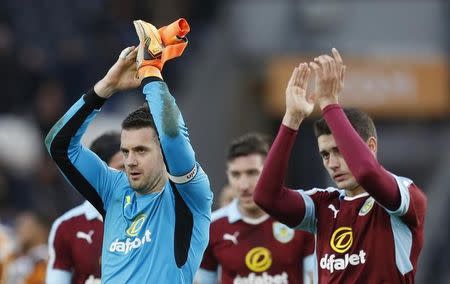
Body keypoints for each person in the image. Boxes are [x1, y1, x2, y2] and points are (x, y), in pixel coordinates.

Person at [45, 18, 212, 283]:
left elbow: (170, 134)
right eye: (126, 151)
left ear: (164, 154)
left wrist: (151, 72)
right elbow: (59, 146)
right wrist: (105, 88)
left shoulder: (188, 195)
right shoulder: (113, 189)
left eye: (142, 150)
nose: (130, 161)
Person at [253, 48, 427, 283]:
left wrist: (329, 103)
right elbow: (266, 197)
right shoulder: (323, 205)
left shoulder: (405, 197)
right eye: (325, 155)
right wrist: (292, 119)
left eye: (340, 151)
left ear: (371, 146)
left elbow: (367, 172)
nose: (332, 163)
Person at [197, 133, 315, 284]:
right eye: (236, 174)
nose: (244, 185)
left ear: (270, 172)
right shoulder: (211, 226)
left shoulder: (299, 219)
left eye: (252, 173)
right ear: (228, 175)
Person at [46, 132, 123, 284]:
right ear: (99, 173)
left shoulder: (151, 215)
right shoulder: (67, 226)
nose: (129, 175)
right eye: (121, 168)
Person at [1, 211, 50, 284]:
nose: (20, 230)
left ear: (41, 229)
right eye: (18, 225)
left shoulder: (47, 258)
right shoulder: (13, 255)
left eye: (25, 225)